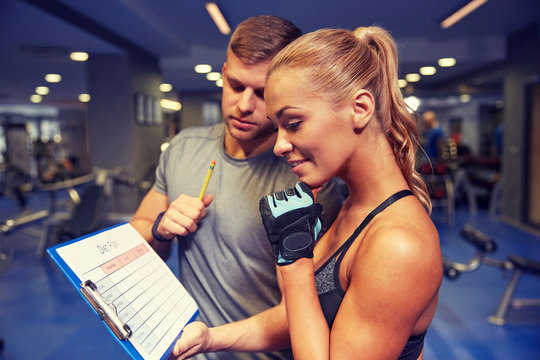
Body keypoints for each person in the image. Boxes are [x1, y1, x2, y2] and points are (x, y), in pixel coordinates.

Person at [171, 26, 442, 360]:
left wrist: (295, 264)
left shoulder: (399, 244)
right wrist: (210, 338)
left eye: (294, 123)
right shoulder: (356, 206)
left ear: (359, 109)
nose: (281, 145)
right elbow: (305, 317)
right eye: (278, 125)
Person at [130, 16, 343, 360]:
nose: (244, 105)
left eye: (262, 93)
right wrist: (159, 229)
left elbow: (304, 312)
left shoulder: (308, 182)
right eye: (235, 85)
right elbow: (137, 239)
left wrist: (213, 338)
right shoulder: (184, 147)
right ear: (224, 72)